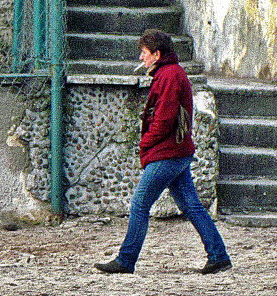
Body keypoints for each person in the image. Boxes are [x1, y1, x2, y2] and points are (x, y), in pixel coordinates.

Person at [95, 29, 232, 275]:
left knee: (139, 204)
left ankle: (126, 260)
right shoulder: (173, 73)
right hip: (177, 152)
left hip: (167, 153)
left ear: (156, 54)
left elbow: (163, 119)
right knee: (192, 206)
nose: (141, 58)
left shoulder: (168, 76)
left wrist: (146, 144)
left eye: (144, 53)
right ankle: (218, 255)